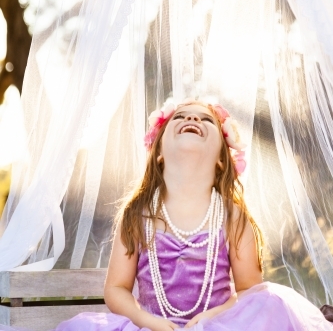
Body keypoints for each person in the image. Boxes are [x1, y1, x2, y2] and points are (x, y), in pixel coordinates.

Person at [56, 100, 332, 331]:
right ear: (160, 152)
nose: (191, 118)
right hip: (153, 327)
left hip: (214, 325)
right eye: (180, 116)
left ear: (222, 159)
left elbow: (250, 292)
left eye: (206, 120)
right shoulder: (138, 215)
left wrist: (210, 317)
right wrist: (149, 321)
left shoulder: (232, 216)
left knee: (270, 301)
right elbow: (116, 287)